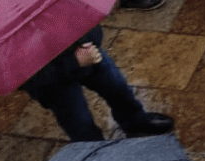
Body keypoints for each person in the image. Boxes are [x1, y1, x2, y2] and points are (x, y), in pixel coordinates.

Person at [20, 26, 174, 142]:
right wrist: (74, 62)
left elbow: (89, 21)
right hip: (54, 83)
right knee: (79, 122)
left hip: (88, 55)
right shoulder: (6, 31)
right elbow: (24, 76)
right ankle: (97, 155)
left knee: (119, 88)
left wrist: (88, 40)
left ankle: (135, 122)